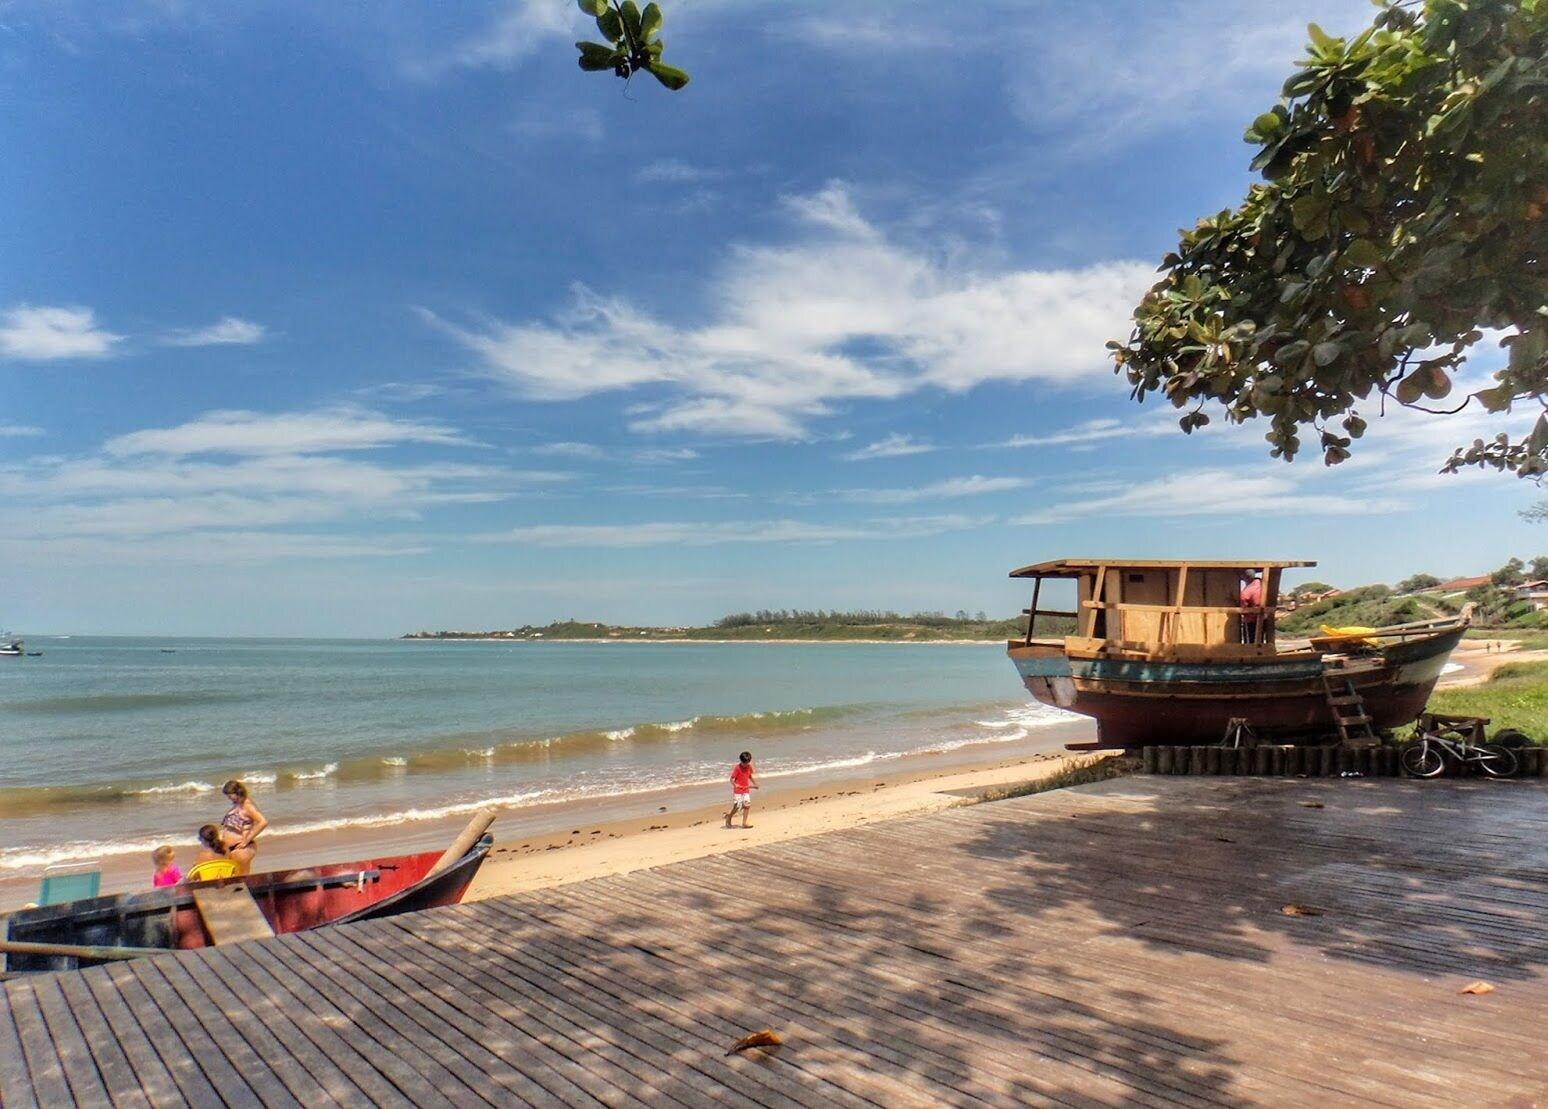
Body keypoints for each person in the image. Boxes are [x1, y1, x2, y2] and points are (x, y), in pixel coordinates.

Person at [219, 779, 268, 875]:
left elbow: (263, 822)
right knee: (234, 878)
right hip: (232, 848)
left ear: (237, 792)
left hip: (241, 848)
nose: (228, 798)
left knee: (241, 879)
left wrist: (246, 840)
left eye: (230, 795)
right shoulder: (238, 805)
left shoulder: (247, 806)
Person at [724, 751, 758, 829]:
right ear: (741, 761)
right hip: (738, 791)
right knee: (737, 807)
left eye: (747, 762)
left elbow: (749, 776)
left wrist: (755, 784)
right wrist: (735, 784)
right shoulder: (737, 768)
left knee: (747, 806)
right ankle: (729, 817)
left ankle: (744, 823)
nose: (746, 765)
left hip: (745, 790)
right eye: (744, 763)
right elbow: (731, 779)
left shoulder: (749, 767)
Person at [1240, 570, 1264, 645]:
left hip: (1251, 620)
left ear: (1245, 578)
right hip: (1264, 619)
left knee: (1249, 643)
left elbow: (1243, 606)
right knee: (1260, 641)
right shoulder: (1263, 585)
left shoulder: (1248, 590)